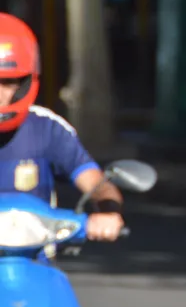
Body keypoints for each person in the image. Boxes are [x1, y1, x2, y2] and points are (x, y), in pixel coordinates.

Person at [0, 12, 125, 242]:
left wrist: (108, 212)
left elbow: (95, 183)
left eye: (7, 82)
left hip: (34, 264)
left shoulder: (47, 128)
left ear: (25, 83)